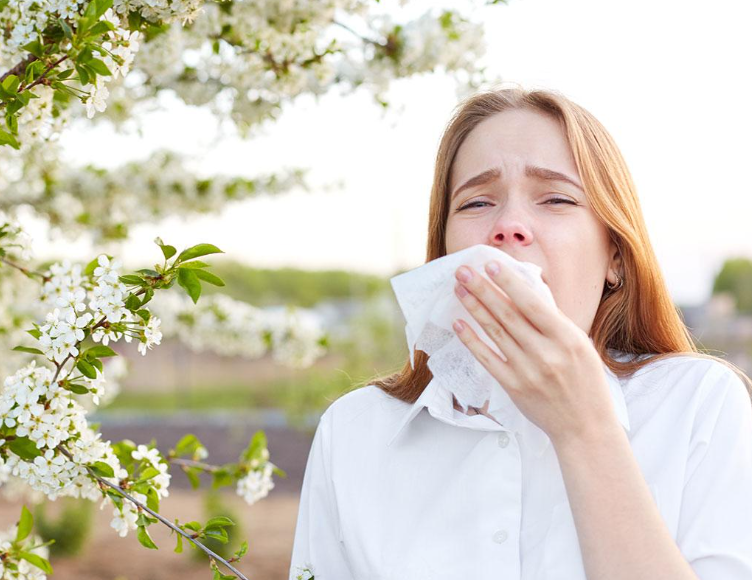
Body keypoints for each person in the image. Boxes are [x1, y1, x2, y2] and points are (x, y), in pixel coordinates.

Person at [287, 85, 752, 580]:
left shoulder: (700, 404)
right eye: (476, 203)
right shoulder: (354, 431)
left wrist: (584, 429)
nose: (509, 226)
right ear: (444, 251)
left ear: (615, 255)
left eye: (555, 198)